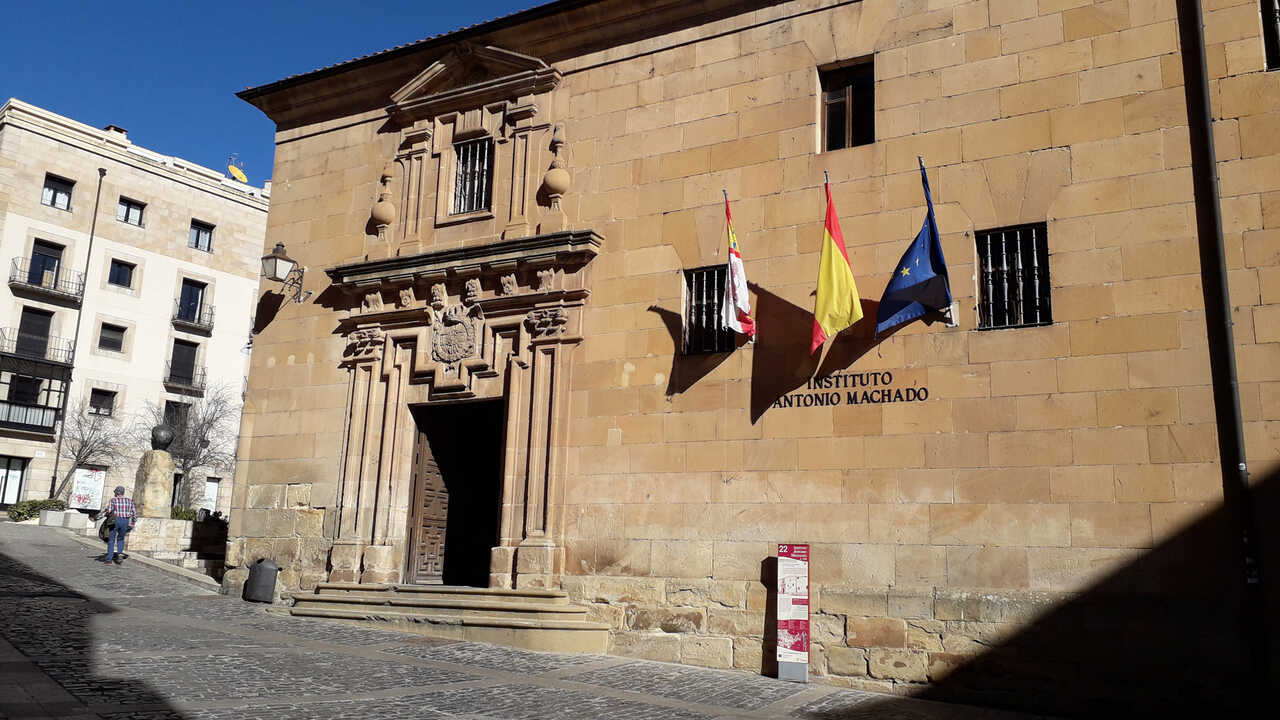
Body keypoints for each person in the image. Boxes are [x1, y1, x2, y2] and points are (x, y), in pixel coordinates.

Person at [104, 486, 136, 565]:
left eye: (115, 492)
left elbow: (109, 511)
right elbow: (134, 513)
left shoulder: (113, 500)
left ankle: (109, 559)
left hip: (115, 520)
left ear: (117, 493)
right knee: (121, 539)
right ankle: (119, 556)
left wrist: (106, 512)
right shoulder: (129, 501)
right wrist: (133, 523)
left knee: (111, 539)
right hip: (125, 521)